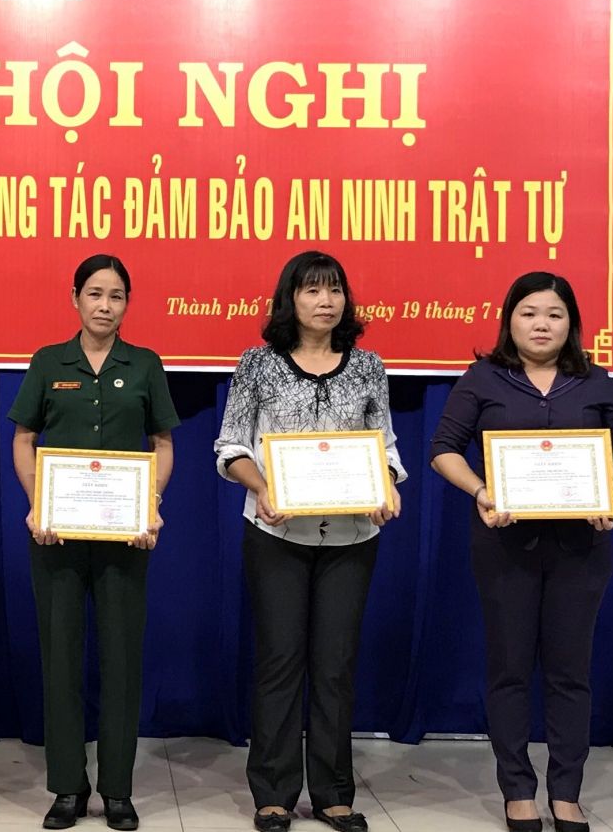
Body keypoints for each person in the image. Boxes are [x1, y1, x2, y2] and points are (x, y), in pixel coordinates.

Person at [429, 272, 613, 832]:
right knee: (509, 670)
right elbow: (443, 449)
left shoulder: (594, 381)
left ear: (571, 323)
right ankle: (518, 790)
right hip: (505, 546)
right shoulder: (482, 378)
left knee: (570, 673)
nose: (541, 324)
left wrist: (610, 490)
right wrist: (481, 490)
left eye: (553, 314)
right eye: (528, 313)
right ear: (510, 320)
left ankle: (566, 792)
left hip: (581, 548)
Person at [214, 251, 404, 832]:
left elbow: (385, 446)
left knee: (335, 665)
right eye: (313, 290)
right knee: (279, 661)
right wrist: (263, 488)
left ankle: (332, 793)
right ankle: (273, 792)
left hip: (351, 536)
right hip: (276, 532)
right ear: (290, 299)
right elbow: (230, 446)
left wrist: (386, 485)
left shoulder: (368, 366)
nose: (326, 301)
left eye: (335, 290)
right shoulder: (257, 364)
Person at [9, 254, 178, 832]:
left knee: (122, 661)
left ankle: (118, 790)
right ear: (75, 298)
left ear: (127, 303)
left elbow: (162, 443)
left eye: (116, 296)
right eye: (95, 294)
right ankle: (67, 786)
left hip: (125, 537)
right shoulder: (48, 361)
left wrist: (150, 504)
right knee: (60, 659)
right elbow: (25, 438)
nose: (105, 306)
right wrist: (38, 502)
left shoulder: (145, 364)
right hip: (56, 535)